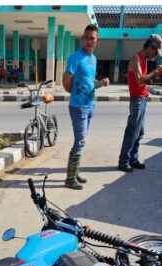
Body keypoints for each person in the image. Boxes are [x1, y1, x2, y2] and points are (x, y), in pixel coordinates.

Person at [62, 24, 107, 190]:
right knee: (80, 141)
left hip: (90, 105)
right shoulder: (76, 57)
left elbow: (91, 82)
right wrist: (74, 95)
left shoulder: (93, 59)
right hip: (78, 107)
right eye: (86, 37)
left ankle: (75, 173)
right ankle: (69, 179)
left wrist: (101, 83)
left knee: (81, 142)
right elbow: (66, 80)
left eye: (92, 38)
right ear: (82, 38)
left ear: (97, 41)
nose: (89, 41)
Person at [118, 34, 162, 172]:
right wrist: (156, 72)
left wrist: (154, 76)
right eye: (155, 52)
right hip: (137, 100)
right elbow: (139, 79)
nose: (155, 56)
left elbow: (143, 82)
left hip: (142, 99)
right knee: (132, 132)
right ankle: (123, 161)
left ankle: (133, 159)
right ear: (151, 46)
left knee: (139, 133)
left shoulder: (144, 60)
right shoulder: (136, 59)